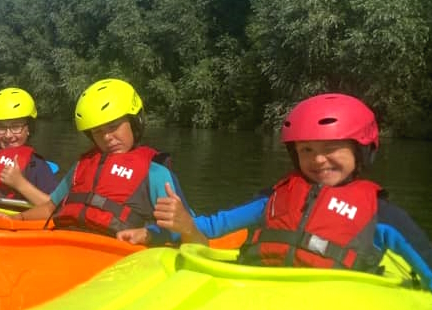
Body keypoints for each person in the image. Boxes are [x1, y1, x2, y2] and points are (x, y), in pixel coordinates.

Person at [134, 93, 432, 286]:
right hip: (261, 292)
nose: (317, 159)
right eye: (306, 149)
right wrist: (155, 232)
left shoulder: (382, 215)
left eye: (332, 148)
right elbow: (213, 227)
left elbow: (427, 264)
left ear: (362, 151)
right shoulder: (273, 199)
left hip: (338, 308)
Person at [6, 78, 188, 243]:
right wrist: (16, 219)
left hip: (116, 255)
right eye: (98, 132)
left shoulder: (155, 173)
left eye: (114, 127)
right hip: (67, 243)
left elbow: (185, 226)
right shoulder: (83, 166)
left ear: (134, 122)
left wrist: (150, 233)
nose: (107, 137)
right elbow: (49, 208)